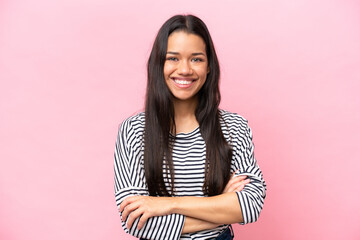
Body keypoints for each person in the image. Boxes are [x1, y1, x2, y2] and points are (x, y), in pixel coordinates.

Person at [114, 14, 266, 240]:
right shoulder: (134, 131)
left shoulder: (234, 127)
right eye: (173, 58)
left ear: (209, 66)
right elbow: (136, 222)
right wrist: (221, 208)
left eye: (196, 59)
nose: (184, 70)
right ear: (159, 64)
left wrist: (166, 205)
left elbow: (251, 204)